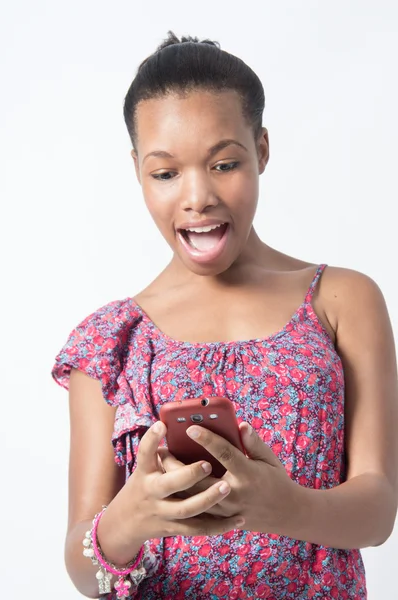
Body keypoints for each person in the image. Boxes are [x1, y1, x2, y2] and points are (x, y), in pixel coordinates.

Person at [51, 31, 398, 600]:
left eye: (224, 163)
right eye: (165, 173)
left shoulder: (341, 300)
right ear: (137, 170)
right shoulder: (111, 340)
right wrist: (130, 517)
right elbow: (82, 570)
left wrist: (285, 506)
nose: (197, 197)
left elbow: (378, 507)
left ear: (261, 149)